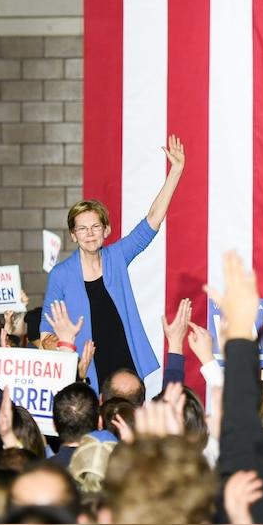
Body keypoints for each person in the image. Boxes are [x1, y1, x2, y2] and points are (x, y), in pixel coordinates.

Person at [41, 135, 186, 389]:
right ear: (73, 235)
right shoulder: (61, 274)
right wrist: (65, 344)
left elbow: (151, 221)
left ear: (106, 230)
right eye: (82, 229)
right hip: (86, 371)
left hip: (126, 365)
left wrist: (176, 171)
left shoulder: (116, 256)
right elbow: (44, 336)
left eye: (95, 226)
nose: (89, 233)